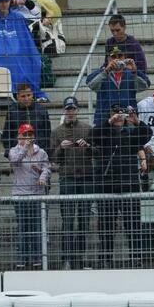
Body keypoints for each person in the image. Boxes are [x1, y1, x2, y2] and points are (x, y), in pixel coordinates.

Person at [91, 104, 152, 268]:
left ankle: (136, 257)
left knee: (133, 224)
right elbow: (92, 136)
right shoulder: (104, 132)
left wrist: (136, 121)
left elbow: (147, 135)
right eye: (115, 114)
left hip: (128, 184)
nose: (119, 117)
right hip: (107, 185)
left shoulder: (131, 134)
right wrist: (110, 122)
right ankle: (105, 258)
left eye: (121, 114)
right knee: (106, 225)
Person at [0, 0, 49, 101]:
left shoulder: (18, 17)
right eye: (1, 1)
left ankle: (27, 93)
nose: (3, 4)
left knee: (31, 60)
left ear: (10, 2)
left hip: (18, 54)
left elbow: (26, 40)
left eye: (6, 1)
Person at [50, 96, 93, 268]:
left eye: (73, 109)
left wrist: (88, 146)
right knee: (67, 220)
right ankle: (66, 258)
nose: (70, 112)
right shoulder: (57, 132)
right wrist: (61, 147)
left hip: (86, 178)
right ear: (64, 111)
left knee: (84, 219)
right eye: (68, 109)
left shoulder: (88, 129)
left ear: (77, 110)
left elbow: (97, 153)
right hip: (67, 178)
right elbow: (53, 158)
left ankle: (79, 258)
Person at [9, 123, 51, 270]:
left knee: (37, 228)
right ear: (19, 136)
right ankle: (21, 259)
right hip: (20, 195)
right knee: (23, 228)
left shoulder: (41, 152)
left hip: (37, 195)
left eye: (30, 135)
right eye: (24, 135)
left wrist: (42, 176)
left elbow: (47, 168)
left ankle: (37, 259)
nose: (28, 138)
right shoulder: (14, 150)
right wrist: (24, 148)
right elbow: (15, 161)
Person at [86, 46, 150, 124]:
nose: (117, 59)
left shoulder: (131, 73)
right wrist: (106, 71)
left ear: (124, 58)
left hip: (127, 120)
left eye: (120, 56)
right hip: (104, 121)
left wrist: (135, 71)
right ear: (108, 59)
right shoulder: (102, 73)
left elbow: (145, 86)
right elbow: (90, 84)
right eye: (113, 57)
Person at [2, 83, 53, 153]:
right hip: (18, 152)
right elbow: (6, 135)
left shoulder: (41, 110)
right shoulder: (12, 111)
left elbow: (47, 133)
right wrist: (10, 153)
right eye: (23, 96)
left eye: (28, 95)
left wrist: (45, 151)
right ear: (18, 97)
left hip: (39, 152)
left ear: (32, 94)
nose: (26, 99)